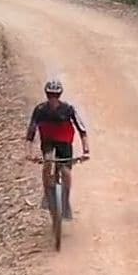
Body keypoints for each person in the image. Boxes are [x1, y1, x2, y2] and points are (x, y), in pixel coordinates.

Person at [24, 78, 89, 219]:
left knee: (66, 171)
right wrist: (28, 152)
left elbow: (82, 129)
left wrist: (86, 150)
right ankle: (47, 193)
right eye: (50, 95)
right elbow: (31, 131)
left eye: (56, 96)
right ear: (47, 96)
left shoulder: (68, 109)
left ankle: (65, 202)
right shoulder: (40, 110)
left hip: (64, 143)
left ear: (59, 96)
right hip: (48, 142)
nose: (53, 99)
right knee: (47, 162)